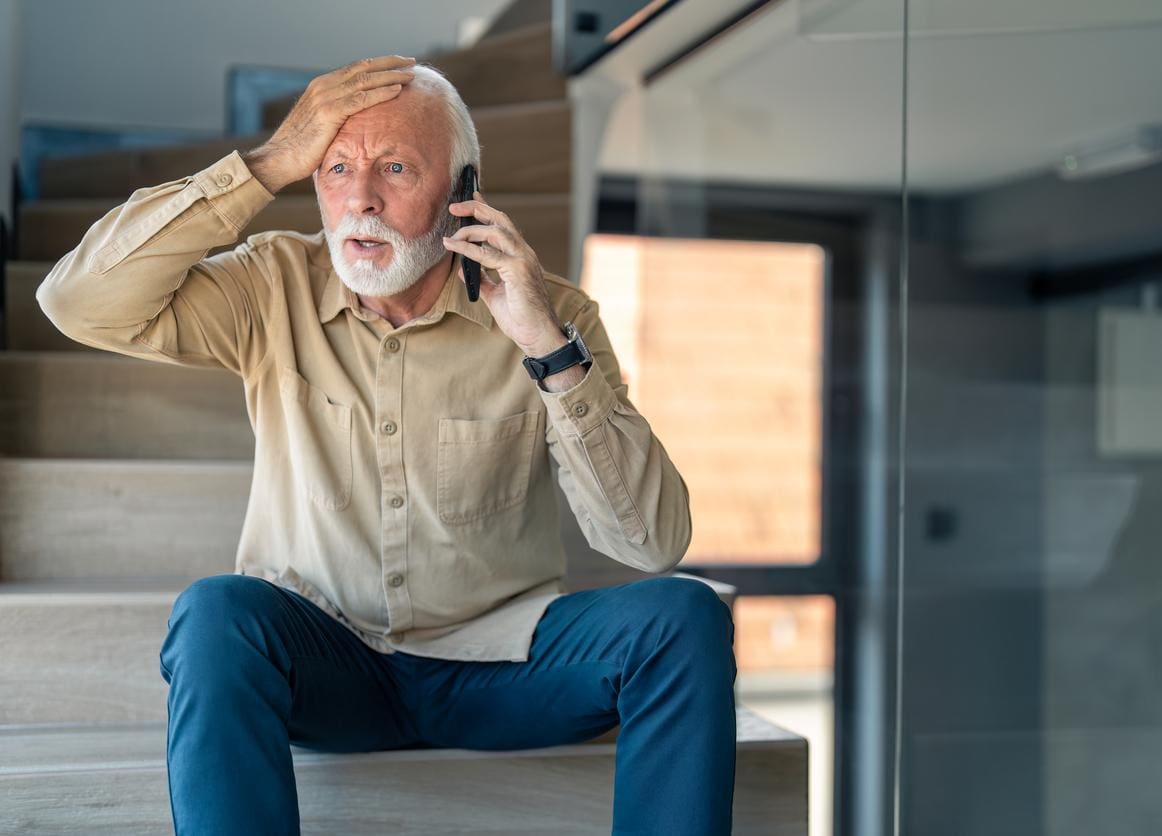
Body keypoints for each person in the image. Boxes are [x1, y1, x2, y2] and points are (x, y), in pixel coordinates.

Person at [35, 55, 737, 834]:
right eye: (334, 168)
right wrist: (268, 164)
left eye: (395, 167)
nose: (359, 198)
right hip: (327, 668)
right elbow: (76, 302)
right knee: (215, 616)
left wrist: (544, 345)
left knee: (685, 616)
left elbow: (651, 543)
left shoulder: (552, 312)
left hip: (499, 668)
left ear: (464, 190)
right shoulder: (273, 286)